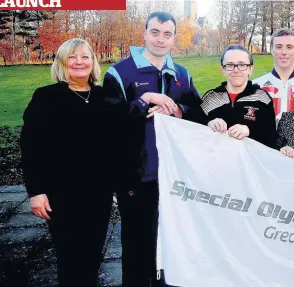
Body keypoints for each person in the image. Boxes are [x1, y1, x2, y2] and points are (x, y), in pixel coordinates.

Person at [102, 11, 205, 286]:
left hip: (174, 176)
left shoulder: (181, 74)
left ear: (174, 39)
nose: (161, 39)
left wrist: (178, 110)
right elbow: (109, 121)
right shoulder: (120, 72)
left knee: (171, 244)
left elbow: (198, 113)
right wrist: (144, 100)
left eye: (167, 34)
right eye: (155, 32)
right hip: (136, 175)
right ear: (145, 33)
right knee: (137, 245)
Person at [20, 38, 125, 286]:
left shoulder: (105, 98)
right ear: (62, 63)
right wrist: (36, 191)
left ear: (93, 62)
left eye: (85, 56)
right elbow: (31, 146)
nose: (79, 62)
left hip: (97, 193)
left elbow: (118, 143)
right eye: (72, 57)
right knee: (69, 257)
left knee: (92, 255)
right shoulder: (46, 97)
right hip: (61, 194)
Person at [202, 45, 276, 148]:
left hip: (250, 162)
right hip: (218, 161)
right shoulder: (210, 98)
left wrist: (250, 130)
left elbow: (271, 139)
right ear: (223, 69)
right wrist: (208, 124)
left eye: (242, 65)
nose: (236, 70)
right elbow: (195, 134)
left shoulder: (262, 98)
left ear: (250, 69)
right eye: (230, 65)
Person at [253, 28, 294, 121]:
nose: (284, 52)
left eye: (289, 47)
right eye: (279, 47)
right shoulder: (254, 86)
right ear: (272, 50)